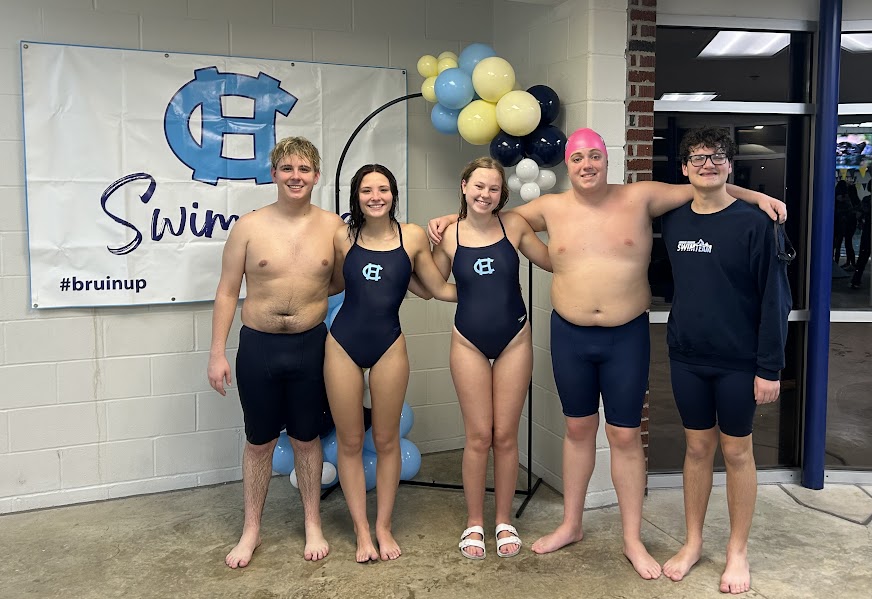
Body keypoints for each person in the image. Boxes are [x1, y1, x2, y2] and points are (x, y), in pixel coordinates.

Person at [428, 128, 786, 580]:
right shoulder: (549, 207)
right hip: (571, 336)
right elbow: (487, 214)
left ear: (607, 159)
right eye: (577, 158)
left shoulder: (642, 197)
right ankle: (572, 524)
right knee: (577, 430)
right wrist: (447, 218)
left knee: (624, 436)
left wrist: (755, 195)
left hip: (626, 336)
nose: (586, 165)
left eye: (595, 156)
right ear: (567, 163)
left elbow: (707, 182)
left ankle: (632, 539)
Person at [659, 127, 791, 594]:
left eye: (716, 157)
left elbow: (776, 299)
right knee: (696, 449)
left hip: (739, 360)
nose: (707, 164)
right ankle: (693, 542)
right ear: (684, 168)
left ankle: (737, 550)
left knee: (737, 452)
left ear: (730, 165)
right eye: (697, 158)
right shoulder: (674, 222)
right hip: (688, 356)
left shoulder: (757, 224)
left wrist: (769, 368)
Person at [207, 137, 343, 568]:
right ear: (274, 174)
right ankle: (251, 530)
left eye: (304, 169)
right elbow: (228, 291)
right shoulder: (249, 226)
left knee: (307, 440)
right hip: (259, 346)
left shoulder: (333, 226)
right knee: (258, 443)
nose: (296, 176)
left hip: (310, 345)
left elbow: (340, 280)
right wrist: (216, 352)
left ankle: (312, 524)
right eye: (287, 169)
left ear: (316, 176)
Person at [325, 164, 456, 563]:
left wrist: (483, 283)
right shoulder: (342, 236)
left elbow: (435, 289)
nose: (375, 196)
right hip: (342, 344)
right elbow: (330, 283)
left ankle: (383, 525)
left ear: (393, 194)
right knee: (349, 441)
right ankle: (361, 529)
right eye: (367, 190)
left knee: (385, 440)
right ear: (357, 196)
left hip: (389, 345)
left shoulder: (412, 235)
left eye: (383, 189)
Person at [430, 157, 552, 559]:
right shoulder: (449, 235)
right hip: (468, 341)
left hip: (514, 338)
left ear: (503, 194)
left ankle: (502, 519)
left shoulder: (513, 226)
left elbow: (553, 260)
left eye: (494, 188)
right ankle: (474, 523)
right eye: (478, 186)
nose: (485, 194)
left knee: (505, 435)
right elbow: (431, 284)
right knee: (479, 436)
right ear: (464, 186)